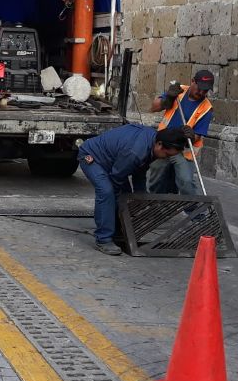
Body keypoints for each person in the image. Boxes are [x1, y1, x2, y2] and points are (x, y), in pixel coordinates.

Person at [78, 124, 188, 255]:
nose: (167, 158)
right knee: (107, 192)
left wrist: (140, 196)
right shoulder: (135, 152)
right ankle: (104, 238)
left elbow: (140, 171)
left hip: (115, 161)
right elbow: (116, 179)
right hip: (92, 157)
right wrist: (126, 200)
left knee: (127, 195)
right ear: (159, 144)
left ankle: (118, 231)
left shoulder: (152, 140)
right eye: (167, 154)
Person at [147, 70, 215, 196]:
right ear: (193, 81)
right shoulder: (179, 91)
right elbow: (153, 107)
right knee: (156, 174)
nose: (201, 93)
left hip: (183, 151)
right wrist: (168, 98)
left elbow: (197, 136)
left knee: (186, 181)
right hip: (164, 144)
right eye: (199, 88)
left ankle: (194, 212)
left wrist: (191, 135)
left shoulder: (206, 108)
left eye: (205, 91)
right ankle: (154, 203)